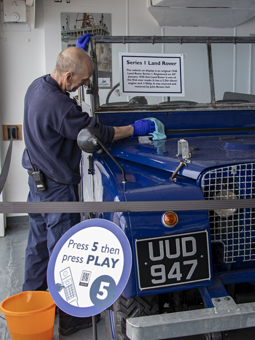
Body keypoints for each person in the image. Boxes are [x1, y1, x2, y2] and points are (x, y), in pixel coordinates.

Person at [21, 34, 153, 336]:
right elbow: (98, 132)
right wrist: (135, 128)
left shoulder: (37, 86)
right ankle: (70, 318)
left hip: (36, 183)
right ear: (67, 76)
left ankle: (33, 304)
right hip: (57, 189)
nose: (83, 86)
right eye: (82, 81)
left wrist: (79, 55)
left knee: (37, 249)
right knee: (62, 253)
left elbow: (66, 74)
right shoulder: (61, 107)